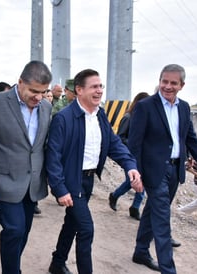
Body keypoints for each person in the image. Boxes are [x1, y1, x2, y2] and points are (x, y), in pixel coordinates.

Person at [45, 69, 142, 274]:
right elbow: (52, 157)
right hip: (72, 181)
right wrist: (60, 189)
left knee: (72, 223)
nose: (99, 91)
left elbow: (114, 144)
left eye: (100, 86)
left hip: (88, 181)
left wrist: (130, 166)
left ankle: (57, 262)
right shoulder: (64, 118)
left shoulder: (100, 115)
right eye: (94, 87)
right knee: (86, 230)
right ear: (79, 90)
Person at [129, 64, 197, 273]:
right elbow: (134, 144)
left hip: (175, 171)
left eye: (173, 83)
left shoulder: (184, 107)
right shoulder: (145, 106)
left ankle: (141, 251)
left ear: (182, 85)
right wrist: (135, 172)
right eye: (164, 81)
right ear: (159, 81)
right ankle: (169, 269)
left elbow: (191, 140)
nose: (167, 86)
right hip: (153, 171)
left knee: (153, 211)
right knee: (162, 218)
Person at [0, 60, 52, 274]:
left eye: (43, 92)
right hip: (4, 181)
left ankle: (11, 267)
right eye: (34, 91)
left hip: (32, 184)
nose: (38, 97)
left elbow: (40, 147)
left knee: (24, 232)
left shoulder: (45, 107)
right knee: (15, 229)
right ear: (20, 82)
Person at [108, 92, 150, 220]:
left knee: (140, 181)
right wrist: (134, 145)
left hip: (144, 156)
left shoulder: (144, 119)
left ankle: (134, 206)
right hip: (131, 156)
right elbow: (120, 137)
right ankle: (119, 198)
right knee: (134, 180)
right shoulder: (128, 117)